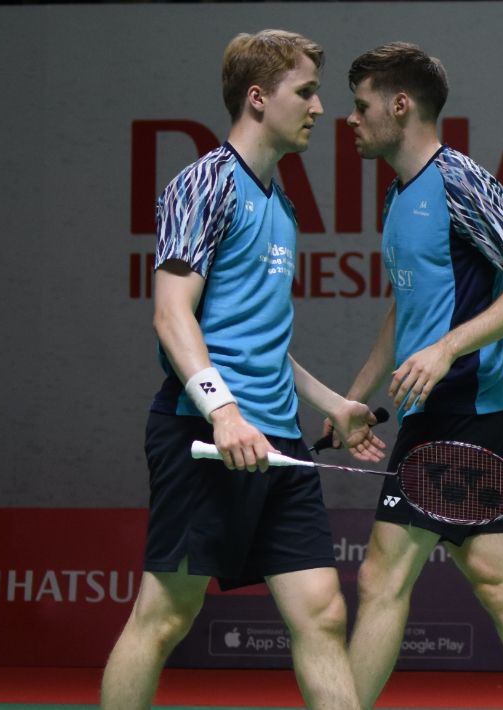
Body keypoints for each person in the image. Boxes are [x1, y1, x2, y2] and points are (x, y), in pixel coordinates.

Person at [100, 29, 384, 710]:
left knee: (322, 612)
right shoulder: (205, 184)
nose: (321, 107)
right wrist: (222, 411)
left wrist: (334, 402)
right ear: (258, 98)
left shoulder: (280, 202)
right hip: (204, 438)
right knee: (165, 618)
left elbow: (258, 341)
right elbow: (173, 317)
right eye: (307, 91)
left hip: (278, 443)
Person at [331, 42, 503, 710]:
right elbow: (404, 309)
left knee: (384, 578)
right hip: (432, 408)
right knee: (501, 587)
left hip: (462, 403)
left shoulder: (459, 181)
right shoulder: (399, 194)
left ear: (400, 104)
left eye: (360, 106)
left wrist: (446, 350)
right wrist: (352, 399)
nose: (349, 120)